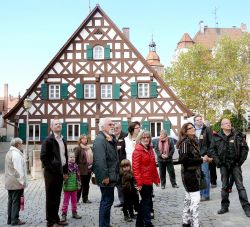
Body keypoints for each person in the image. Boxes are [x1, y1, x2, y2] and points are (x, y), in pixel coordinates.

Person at [209, 118, 250, 217]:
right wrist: (218, 162)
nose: (228, 124)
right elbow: (212, 150)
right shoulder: (216, 137)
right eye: (226, 123)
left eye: (229, 123)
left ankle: (247, 208)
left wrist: (240, 162)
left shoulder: (238, 135)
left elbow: (245, 148)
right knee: (224, 187)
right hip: (223, 165)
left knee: (240, 187)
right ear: (222, 126)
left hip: (235, 165)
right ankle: (224, 207)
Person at [177, 122, 208, 227]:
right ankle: (195, 223)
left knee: (188, 199)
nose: (193, 129)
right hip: (189, 175)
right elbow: (184, 160)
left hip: (195, 173)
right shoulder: (185, 142)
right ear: (185, 131)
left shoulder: (194, 141)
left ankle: (186, 221)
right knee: (195, 200)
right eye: (190, 128)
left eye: (193, 127)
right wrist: (201, 160)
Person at [40, 118, 68, 227]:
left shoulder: (62, 139)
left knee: (57, 197)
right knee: (51, 197)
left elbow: (64, 157)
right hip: (51, 174)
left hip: (60, 172)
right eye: (56, 124)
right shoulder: (48, 140)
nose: (58, 125)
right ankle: (50, 221)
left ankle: (56, 219)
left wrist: (65, 172)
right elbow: (43, 157)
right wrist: (52, 168)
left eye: (60, 124)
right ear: (51, 127)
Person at [92, 118, 120, 227]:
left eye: (113, 124)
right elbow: (100, 160)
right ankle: (103, 225)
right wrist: (105, 176)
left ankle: (105, 224)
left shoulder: (108, 138)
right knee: (106, 201)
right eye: (110, 124)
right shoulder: (100, 139)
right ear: (103, 127)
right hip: (106, 177)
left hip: (111, 175)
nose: (112, 126)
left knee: (108, 201)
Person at [132, 130, 160, 227]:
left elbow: (153, 166)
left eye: (148, 137)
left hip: (149, 180)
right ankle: (148, 223)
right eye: (144, 137)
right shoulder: (137, 150)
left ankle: (139, 223)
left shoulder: (150, 149)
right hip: (142, 181)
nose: (146, 139)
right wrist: (139, 183)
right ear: (140, 139)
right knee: (146, 202)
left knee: (145, 201)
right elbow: (135, 168)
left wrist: (156, 179)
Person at [5, 137, 27, 226]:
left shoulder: (9, 153)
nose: (22, 145)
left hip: (9, 181)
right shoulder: (16, 154)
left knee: (11, 200)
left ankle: (10, 219)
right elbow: (18, 169)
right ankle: (15, 220)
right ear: (18, 145)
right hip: (16, 181)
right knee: (16, 201)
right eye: (21, 144)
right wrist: (22, 182)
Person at [194, 115, 213, 201]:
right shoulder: (192, 130)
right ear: (195, 122)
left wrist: (207, 155)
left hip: (204, 156)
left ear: (202, 120)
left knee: (205, 175)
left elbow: (211, 144)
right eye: (197, 120)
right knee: (198, 176)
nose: (199, 121)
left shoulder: (207, 130)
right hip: (195, 157)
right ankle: (200, 194)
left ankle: (206, 195)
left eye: (200, 119)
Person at [61, 151, 82, 222]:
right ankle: (64, 214)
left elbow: (78, 176)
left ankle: (74, 212)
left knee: (74, 201)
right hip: (67, 187)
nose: (72, 158)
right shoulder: (65, 167)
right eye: (71, 157)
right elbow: (63, 177)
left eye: (73, 157)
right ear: (67, 158)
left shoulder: (76, 166)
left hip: (74, 187)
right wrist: (64, 179)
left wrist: (79, 184)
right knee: (65, 201)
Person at [74, 134, 93, 204]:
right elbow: (75, 159)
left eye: (86, 139)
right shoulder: (78, 148)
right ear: (80, 140)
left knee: (87, 184)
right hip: (81, 170)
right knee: (80, 185)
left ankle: (85, 198)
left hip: (89, 169)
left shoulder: (89, 148)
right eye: (83, 139)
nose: (85, 140)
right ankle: (76, 199)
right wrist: (76, 169)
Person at [113, 123, 127, 208]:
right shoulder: (111, 137)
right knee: (118, 183)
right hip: (115, 164)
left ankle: (127, 202)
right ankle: (122, 201)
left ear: (120, 128)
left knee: (126, 182)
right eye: (114, 128)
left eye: (117, 128)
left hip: (124, 163)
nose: (115, 129)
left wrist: (120, 148)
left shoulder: (125, 136)